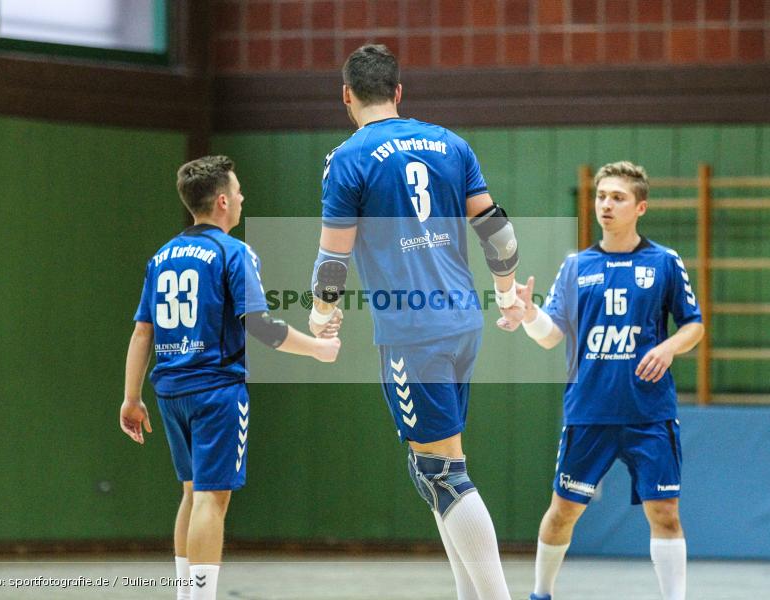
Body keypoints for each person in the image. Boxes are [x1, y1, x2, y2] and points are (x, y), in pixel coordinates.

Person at [307, 45, 523, 600]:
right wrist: (506, 294)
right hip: (462, 320)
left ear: (347, 96)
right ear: (399, 92)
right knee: (443, 467)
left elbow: (333, 259)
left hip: (412, 330)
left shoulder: (348, 158)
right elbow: (497, 231)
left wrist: (322, 312)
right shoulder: (451, 144)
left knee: (440, 474)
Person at [120, 155, 340, 600]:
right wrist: (318, 348)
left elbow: (142, 331)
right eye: (237, 192)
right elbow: (259, 326)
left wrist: (130, 398)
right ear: (222, 201)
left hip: (170, 392)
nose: (242, 198)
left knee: (191, 492)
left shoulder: (162, 256)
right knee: (211, 499)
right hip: (216, 391)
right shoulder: (234, 253)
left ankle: (186, 594)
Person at [503, 161, 704, 600]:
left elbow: (694, 325)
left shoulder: (665, 262)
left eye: (618, 197)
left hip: (648, 413)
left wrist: (669, 347)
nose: (606, 205)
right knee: (563, 512)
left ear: (641, 207)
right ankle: (540, 593)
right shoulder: (576, 266)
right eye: (601, 196)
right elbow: (551, 334)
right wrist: (528, 315)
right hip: (589, 411)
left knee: (665, 511)